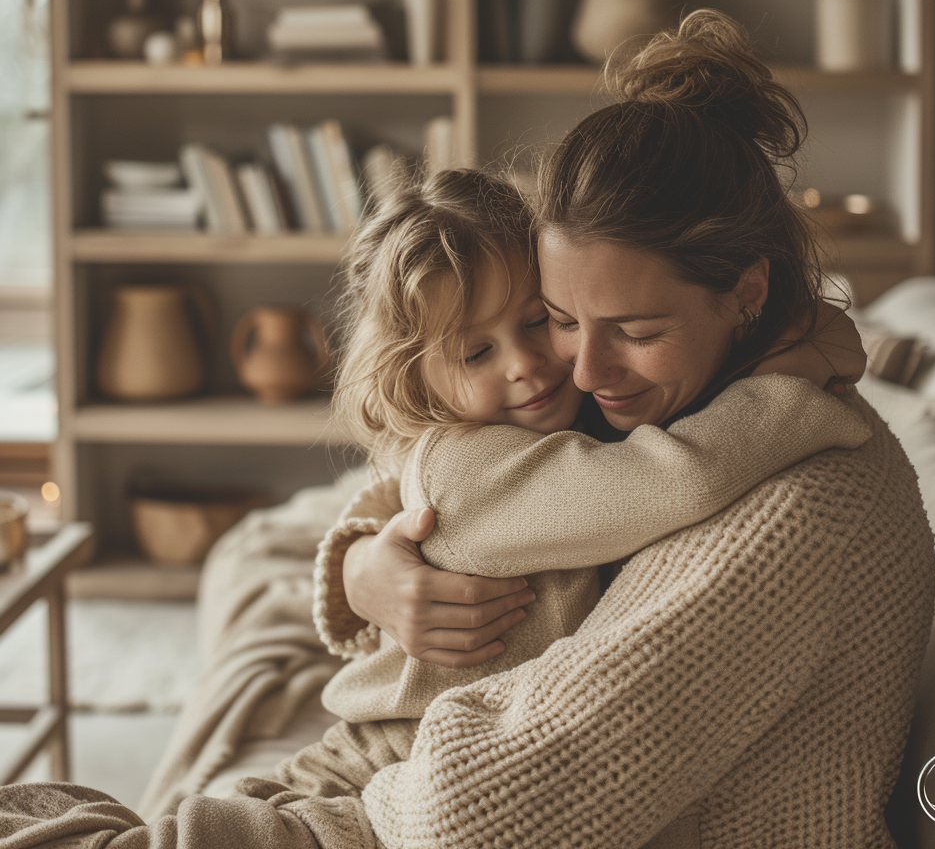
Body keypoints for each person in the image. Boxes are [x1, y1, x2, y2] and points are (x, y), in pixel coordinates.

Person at [0, 10, 935, 849]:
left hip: (412, 796)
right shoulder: (690, 404)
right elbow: (461, 486)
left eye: (635, 332)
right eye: (563, 317)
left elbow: (479, 816)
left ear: (748, 293)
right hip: (383, 762)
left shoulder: (797, 501)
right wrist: (362, 563)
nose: (576, 370)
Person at [307, 167, 868, 747]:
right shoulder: (468, 465)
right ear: (415, 379)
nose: (523, 362)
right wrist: (792, 378)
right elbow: (679, 477)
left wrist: (357, 561)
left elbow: (392, 487)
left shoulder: (572, 413)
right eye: (477, 353)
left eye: (539, 321)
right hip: (391, 748)